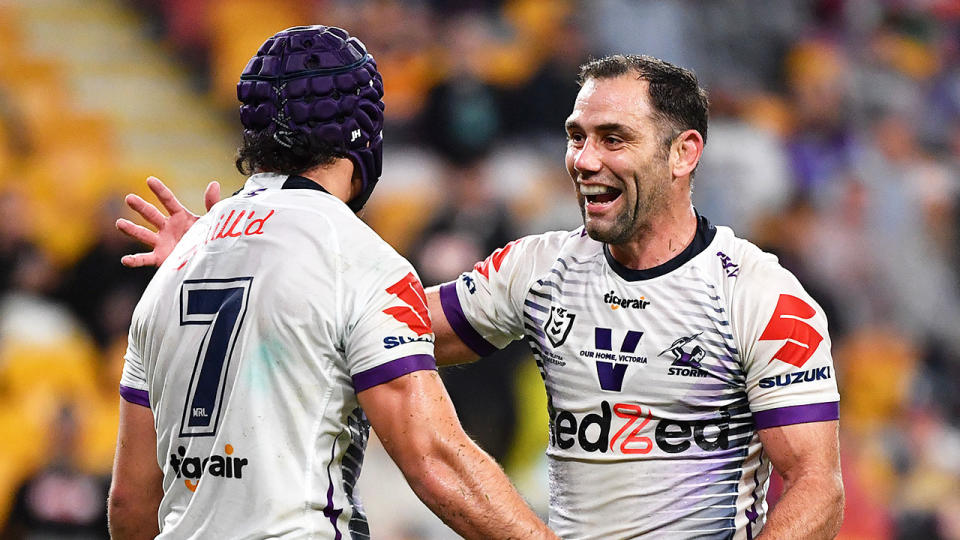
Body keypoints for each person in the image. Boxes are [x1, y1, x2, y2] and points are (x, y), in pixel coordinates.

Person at [120, 54, 844, 539]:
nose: (584, 160)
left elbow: (817, 485)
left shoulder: (760, 295)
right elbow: (359, 326)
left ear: (684, 152)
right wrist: (235, 257)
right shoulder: (537, 269)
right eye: (575, 136)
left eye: (613, 138)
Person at [108, 25, 555, 540]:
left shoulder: (176, 269)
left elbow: (131, 502)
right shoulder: (357, 257)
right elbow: (435, 460)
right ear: (365, 129)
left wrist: (215, 249)